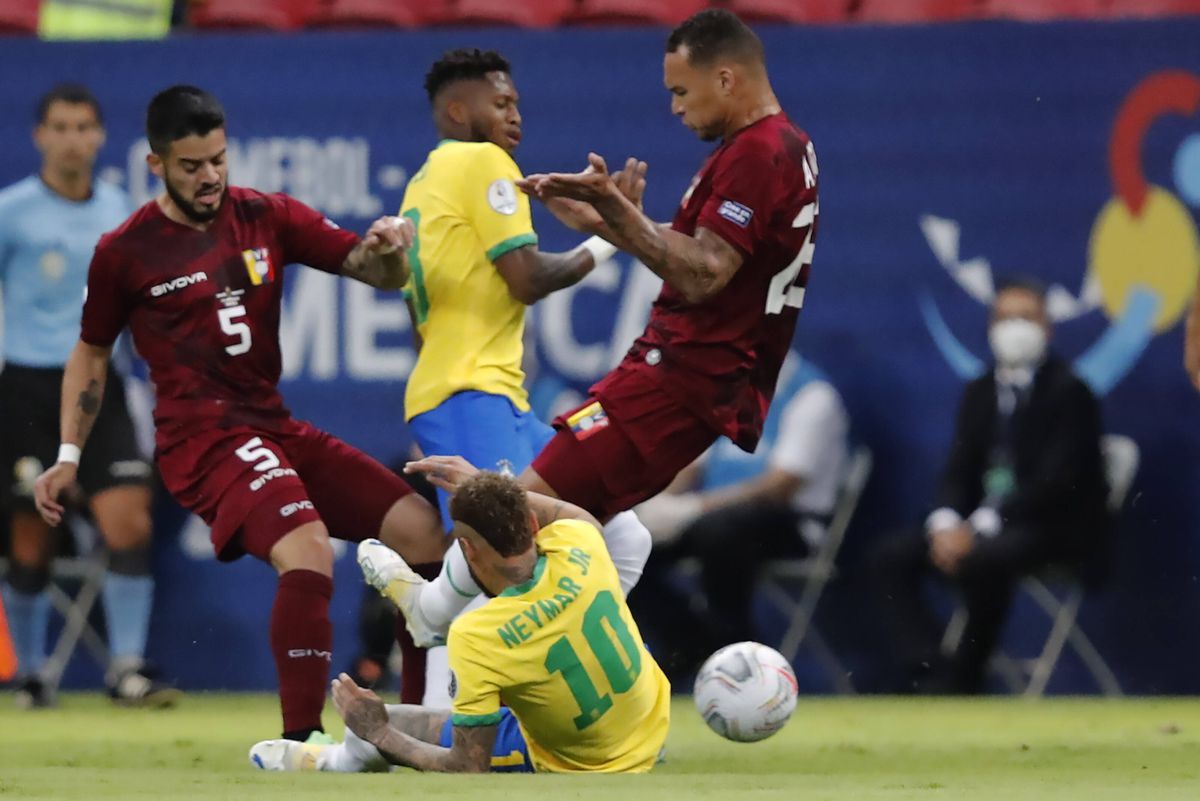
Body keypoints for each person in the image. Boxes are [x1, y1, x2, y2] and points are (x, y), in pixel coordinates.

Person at [386, 9, 822, 649]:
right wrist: (615, 226)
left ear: (726, 79)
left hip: (675, 380)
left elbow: (704, 273)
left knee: (513, 513)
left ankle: (436, 614)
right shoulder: (785, 147)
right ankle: (591, 686)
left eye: (681, 91)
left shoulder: (756, 154)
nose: (675, 109)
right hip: (686, 380)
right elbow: (707, 255)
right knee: (598, 534)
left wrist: (618, 215)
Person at [31, 85, 446, 740]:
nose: (210, 176)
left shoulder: (266, 215)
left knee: (425, 535)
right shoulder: (125, 251)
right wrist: (68, 456)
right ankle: (300, 742)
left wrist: (391, 248)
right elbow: (90, 354)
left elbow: (376, 273)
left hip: (272, 424)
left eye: (218, 159)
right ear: (156, 165)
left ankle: (423, 720)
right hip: (202, 440)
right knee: (308, 548)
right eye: (192, 165)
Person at [389, 48, 655, 663]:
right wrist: (614, 238)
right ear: (459, 109)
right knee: (502, 562)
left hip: (489, 400)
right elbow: (526, 278)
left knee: (620, 535)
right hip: (468, 398)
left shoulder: (423, 184)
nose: (516, 117)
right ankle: (458, 699)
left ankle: (579, 678)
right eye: (501, 103)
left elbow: (417, 321)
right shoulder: (484, 161)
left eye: (517, 105)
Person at [250, 465, 669, 774]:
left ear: (467, 552)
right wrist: (487, 488)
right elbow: (576, 516)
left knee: (398, 723)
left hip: (597, 761)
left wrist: (377, 733)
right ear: (532, 523)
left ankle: (333, 761)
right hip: (652, 720)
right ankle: (420, 605)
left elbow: (469, 764)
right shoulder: (581, 544)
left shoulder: (477, 634)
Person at [0, 84, 175, 709]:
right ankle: (31, 674)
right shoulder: (10, 212)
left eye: (84, 127)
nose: (73, 139)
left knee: (129, 522)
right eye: (61, 127)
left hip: (101, 386)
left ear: (100, 137)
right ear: (39, 136)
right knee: (29, 541)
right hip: (22, 388)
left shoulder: (121, 214)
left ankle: (127, 669)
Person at [871, 278, 1111, 694]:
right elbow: (960, 469)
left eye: (1026, 317)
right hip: (981, 529)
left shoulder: (1072, 392)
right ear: (989, 327)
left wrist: (979, 528)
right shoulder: (979, 391)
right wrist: (945, 522)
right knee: (889, 558)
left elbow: (1058, 483)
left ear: (1048, 327)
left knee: (986, 558)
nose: (1014, 327)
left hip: (1052, 529)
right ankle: (930, 668)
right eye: (1004, 317)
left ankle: (965, 677)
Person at [631, 354, 849, 682]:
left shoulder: (811, 396)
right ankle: (689, 641)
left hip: (788, 523)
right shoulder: (727, 392)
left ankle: (736, 646)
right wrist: (653, 502)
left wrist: (695, 508)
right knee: (626, 539)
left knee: (720, 531)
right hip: (711, 521)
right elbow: (692, 466)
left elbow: (781, 485)